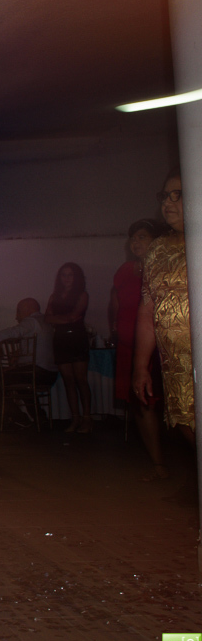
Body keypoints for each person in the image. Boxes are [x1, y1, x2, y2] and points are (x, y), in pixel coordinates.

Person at [133, 172, 194, 445]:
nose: (167, 202)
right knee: (185, 425)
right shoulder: (157, 250)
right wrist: (140, 366)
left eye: (177, 194)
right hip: (175, 366)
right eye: (165, 196)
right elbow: (147, 312)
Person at [110, 219, 166, 478]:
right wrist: (113, 328)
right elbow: (116, 303)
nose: (135, 242)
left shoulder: (163, 269)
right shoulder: (124, 271)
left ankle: (163, 464)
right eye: (133, 237)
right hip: (125, 347)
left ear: (155, 241)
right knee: (137, 403)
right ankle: (157, 462)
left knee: (151, 403)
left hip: (152, 349)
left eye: (142, 237)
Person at [46, 263, 92, 433]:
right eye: (63, 274)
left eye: (70, 275)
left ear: (77, 277)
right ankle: (75, 419)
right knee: (68, 381)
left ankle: (87, 419)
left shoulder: (82, 295)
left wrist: (59, 318)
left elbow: (73, 318)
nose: (66, 278)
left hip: (77, 338)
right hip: (60, 340)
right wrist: (63, 319)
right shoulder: (54, 296)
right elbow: (47, 318)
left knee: (81, 379)